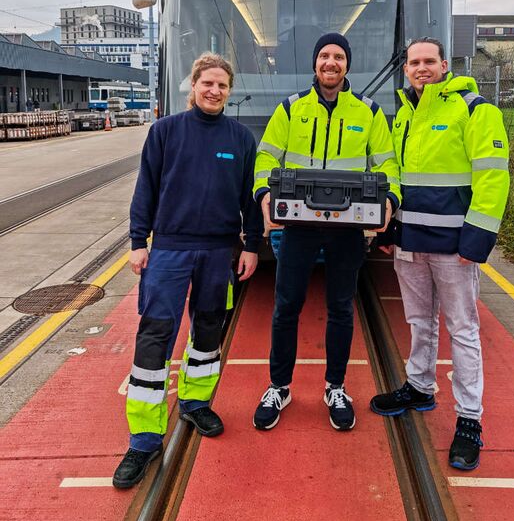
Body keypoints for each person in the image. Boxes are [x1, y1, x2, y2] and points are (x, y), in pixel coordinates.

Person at [113, 52, 263, 489]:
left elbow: (249, 201)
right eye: (207, 83)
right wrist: (138, 241)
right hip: (171, 250)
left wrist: (251, 246)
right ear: (192, 86)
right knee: (155, 336)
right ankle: (143, 438)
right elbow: (146, 188)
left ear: (229, 92)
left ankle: (195, 403)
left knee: (209, 332)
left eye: (222, 85)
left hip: (219, 252)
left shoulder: (240, 138)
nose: (214, 91)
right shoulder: (164, 132)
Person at [370, 37, 510, 471]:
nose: (421, 68)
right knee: (418, 320)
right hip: (411, 242)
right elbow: (396, 175)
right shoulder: (404, 114)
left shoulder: (473, 109)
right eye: (414, 62)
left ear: (445, 65)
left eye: (429, 60)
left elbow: (493, 177)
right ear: (406, 68)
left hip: (455, 248)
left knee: (464, 331)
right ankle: (420, 386)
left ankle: (470, 420)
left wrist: (477, 238)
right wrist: (390, 227)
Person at [252, 33, 400, 432]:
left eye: (338, 56)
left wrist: (390, 201)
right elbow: (266, 155)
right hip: (299, 226)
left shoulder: (368, 113)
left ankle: (336, 387)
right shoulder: (290, 109)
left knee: (340, 309)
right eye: (324, 56)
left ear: (346, 65)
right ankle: (279, 386)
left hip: (347, 229)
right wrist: (265, 191)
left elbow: (388, 165)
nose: (330, 62)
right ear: (315, 64)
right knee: (286, 308)